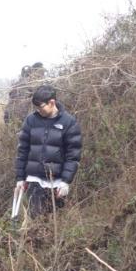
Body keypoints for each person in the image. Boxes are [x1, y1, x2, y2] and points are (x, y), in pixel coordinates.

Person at [15, 84, 82, 217]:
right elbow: (22, 151)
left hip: (57, 181)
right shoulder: (31, 121)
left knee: (55, 219)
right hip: (34, 179)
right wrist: (20, 178)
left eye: (41, 107)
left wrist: (66, 181)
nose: (38, 110)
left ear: (51, 103)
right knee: (36, 218)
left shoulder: (69, 122)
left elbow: (73, 155)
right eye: (36, 108)